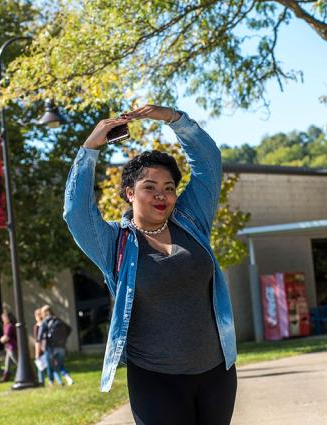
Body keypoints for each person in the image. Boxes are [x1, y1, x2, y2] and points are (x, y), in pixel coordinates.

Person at [63, 105, 237, 425]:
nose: (162, 195)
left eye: (169, 188)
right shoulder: (113, 243)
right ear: (130, 193)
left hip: (217, 373)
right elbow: (76, 213)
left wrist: (174, 119)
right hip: (155, 379)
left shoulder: (191, 222)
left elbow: (208, 164)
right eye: (150, 187)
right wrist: (89, 150)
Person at [38, 305, 73, 387]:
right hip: (61, 346)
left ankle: (51, 382)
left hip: (49, 347)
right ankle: (68, 379)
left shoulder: (45, 321)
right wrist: (63, 339)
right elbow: (69, 329)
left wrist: (43, 342)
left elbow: (39, 336)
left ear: (43, 313)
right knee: (61, 365)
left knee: (50, 366)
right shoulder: (58, 319)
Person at [0, 309, 18, 382]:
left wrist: (1, 339)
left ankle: (24, 374)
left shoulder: (10, 326)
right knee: (7, 364)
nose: (3, 319)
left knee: (17, 362)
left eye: (4, 318)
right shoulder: (6, 326)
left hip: (12, 347)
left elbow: (6, 337)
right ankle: (5, 378)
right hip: (8, 348)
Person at [33, 308, 45, 385]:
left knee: (40, 365)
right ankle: (54, 380)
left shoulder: (36, 327)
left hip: (40, 348)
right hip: (47, 347)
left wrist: (37, 353)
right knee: (49, 365)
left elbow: (37, 340)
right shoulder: (45, 324)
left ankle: (41, 381)